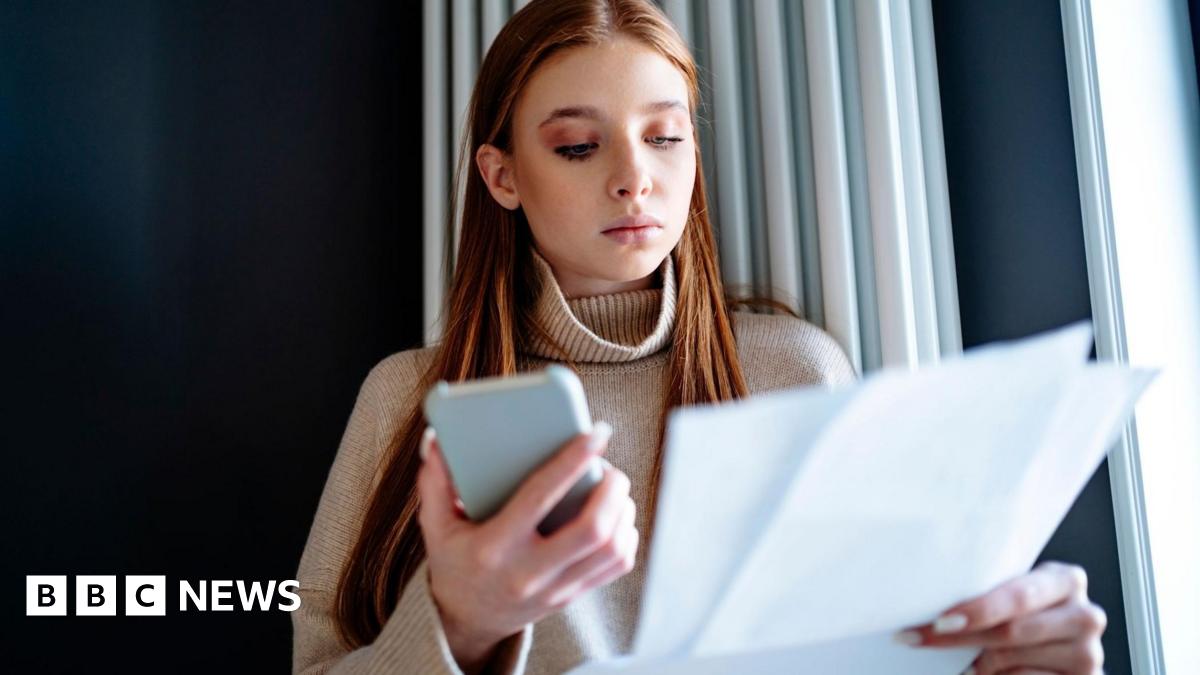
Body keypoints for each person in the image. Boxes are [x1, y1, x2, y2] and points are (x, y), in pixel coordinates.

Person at [292, 1, 1107, 673]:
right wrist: (461, 622)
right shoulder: (405, 399)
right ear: (501, 176)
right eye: (578, 145)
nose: (633, 176)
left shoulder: (795, 368)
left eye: (665, 135)